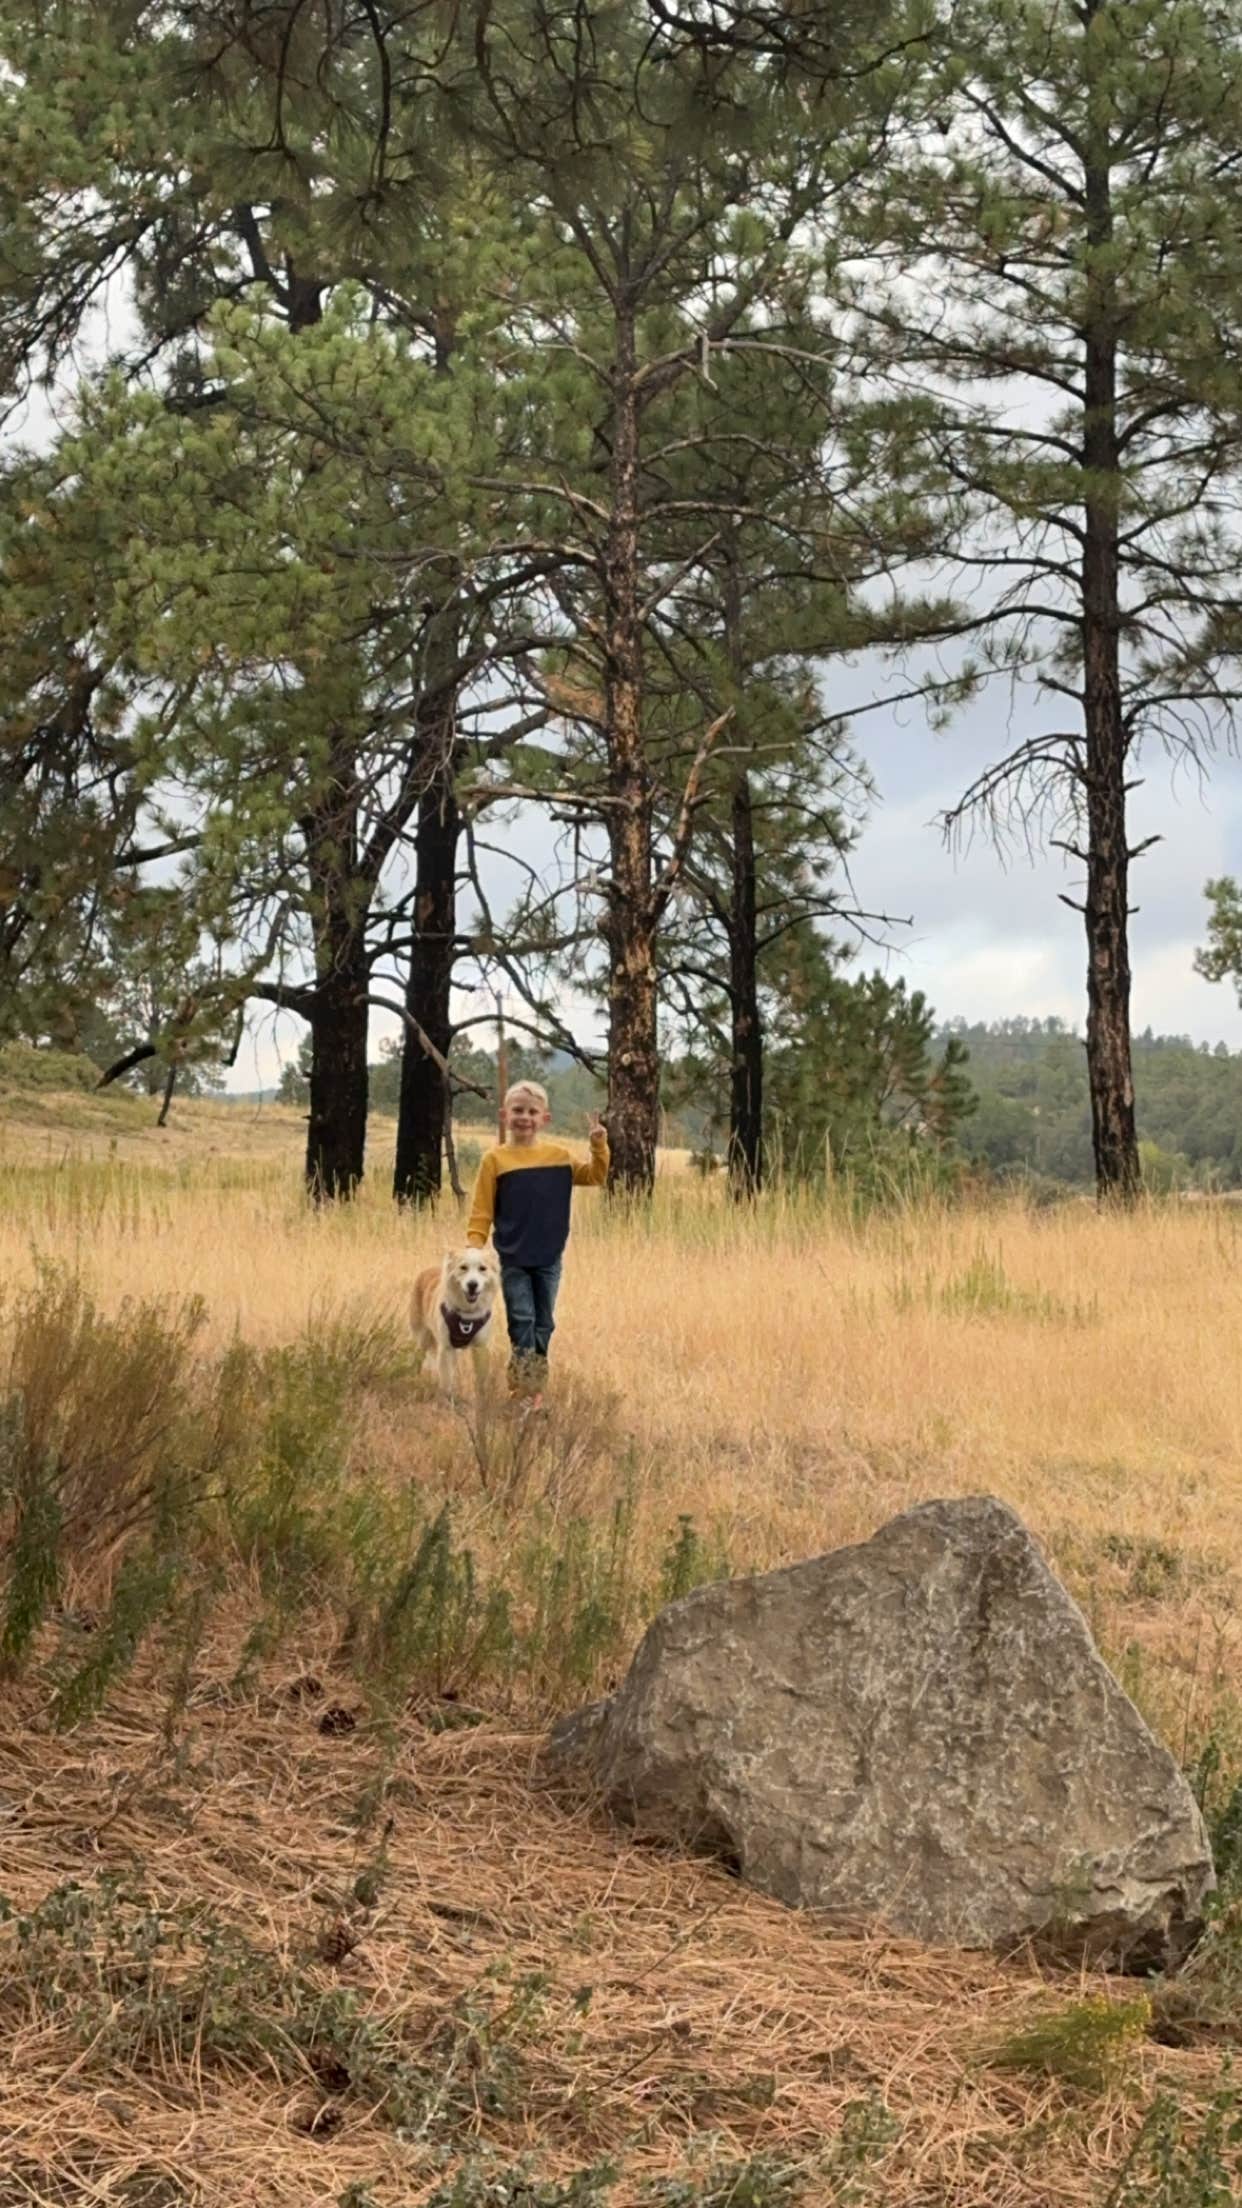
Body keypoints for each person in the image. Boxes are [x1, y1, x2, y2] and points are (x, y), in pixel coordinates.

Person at [465, 1081, 609, 1407]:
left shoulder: (559, 1157)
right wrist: (474, 1247)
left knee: (544, 1322)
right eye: (517, 1110)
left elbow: (595, 1176)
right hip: (513, 1257)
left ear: (545, 1117)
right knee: (522, 1319)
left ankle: (533, 1386)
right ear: (504, 1115)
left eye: (532, 1112)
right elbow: (482, 1211)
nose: (524, 1117)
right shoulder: (495, 1160)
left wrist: (599, 1146)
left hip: (549, 1257)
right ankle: (524, 1391)